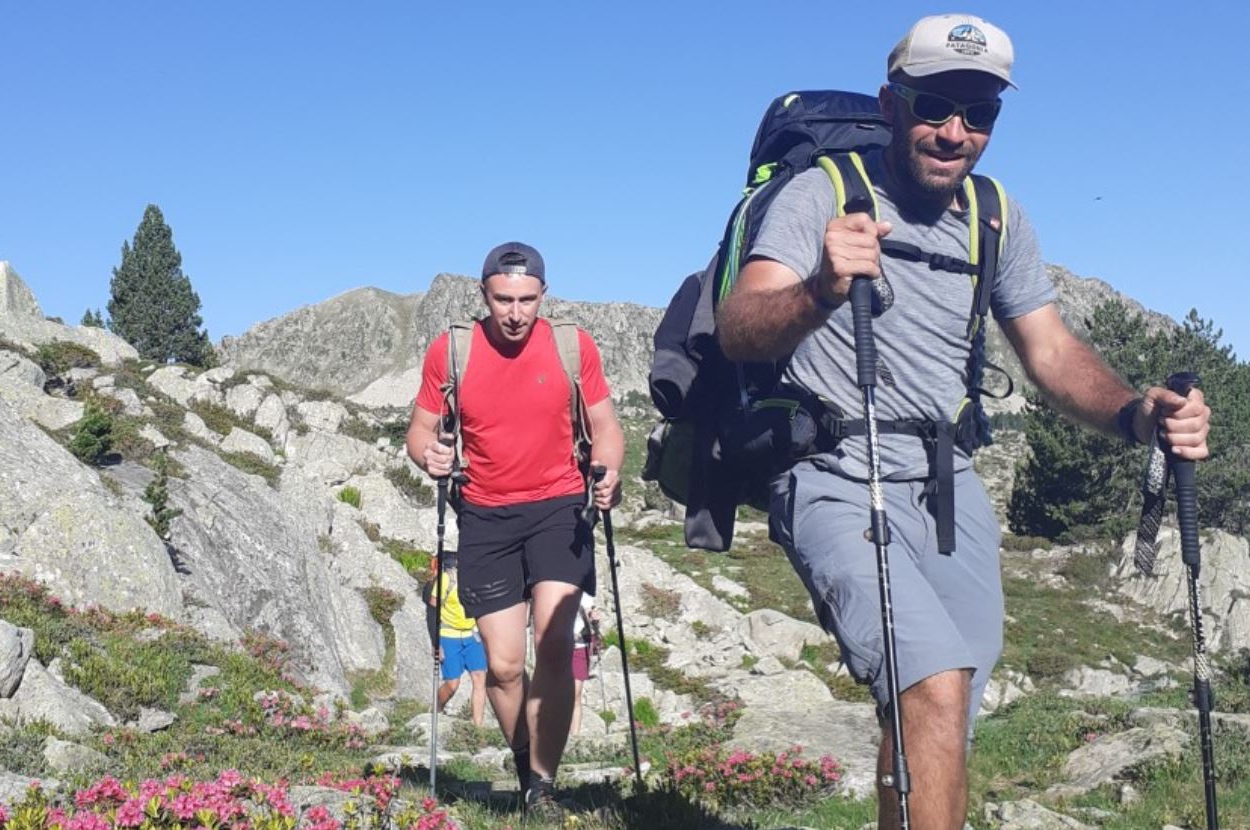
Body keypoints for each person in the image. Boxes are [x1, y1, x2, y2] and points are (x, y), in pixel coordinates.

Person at [716, 14, 1211, 830]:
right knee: (932, 687)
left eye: (978, 113)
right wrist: (818, 292)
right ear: (889, 102)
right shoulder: (821, 195)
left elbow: (1048, 352)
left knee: (944, 704)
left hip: (947, 486)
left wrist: (1135, 414)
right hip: (833, 472)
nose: (953, 132)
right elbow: (738, 325)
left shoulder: (994, 215)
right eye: (934, 105)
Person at [406, 241, 624, 817]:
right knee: (502, 666)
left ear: (543, 296)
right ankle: (527, 761)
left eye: (527, 299)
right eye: (503, 299)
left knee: (554, 644)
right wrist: (429, 455)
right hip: (485, 514)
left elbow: (604, 423)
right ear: (484, 295)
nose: (515, 312)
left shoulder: (572, 347)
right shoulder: (451, 351)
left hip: (560, 508)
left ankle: (542, 788)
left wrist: (611, 470)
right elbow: (418, 433)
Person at [423, 552, 487, 727]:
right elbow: (432, 611)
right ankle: (436, 710)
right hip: (449, 635)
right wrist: (436, 643)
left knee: (479, 677)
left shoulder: (478, 577)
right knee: (452, 684)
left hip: (472, 634)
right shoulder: (446, 579)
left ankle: (477, 727)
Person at [569, 591, 600, 736]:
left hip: (579, 645)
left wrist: (593, 616)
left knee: (575, 694)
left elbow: (589, 610)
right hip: (559, 646)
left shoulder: (584, 593)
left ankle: (574, 736)